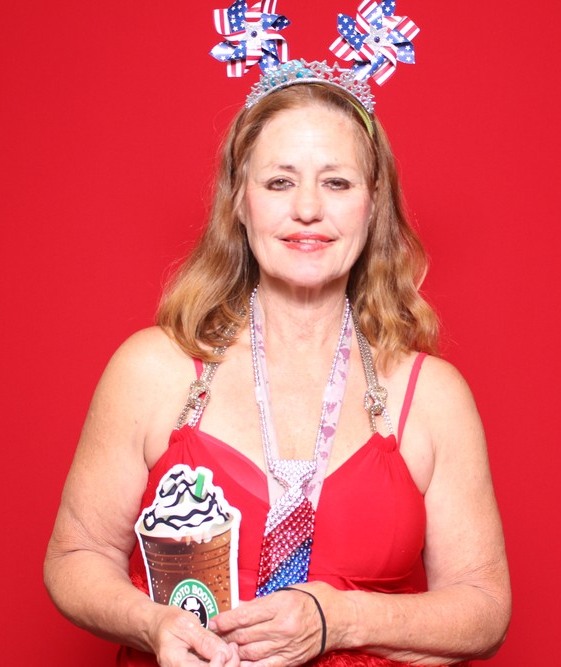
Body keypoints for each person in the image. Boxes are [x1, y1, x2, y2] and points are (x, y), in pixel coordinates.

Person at [44, 60, 511, 667]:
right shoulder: (152, 370)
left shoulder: (431, 396)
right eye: (279, 182)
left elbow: (484, 609)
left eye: (337, 183)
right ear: (239, 200)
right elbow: (75, 556)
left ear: (373, 205)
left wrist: (339, 619)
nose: (308, 209)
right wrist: (152, 624)